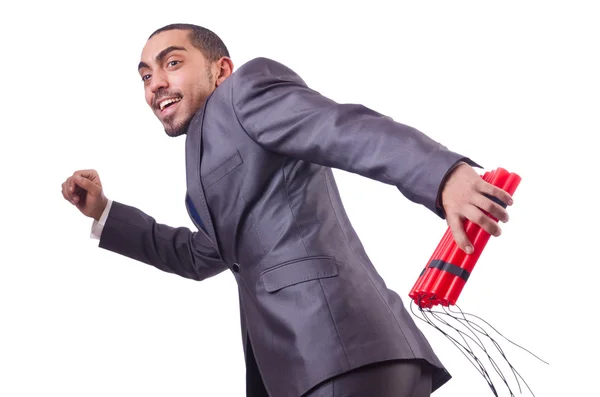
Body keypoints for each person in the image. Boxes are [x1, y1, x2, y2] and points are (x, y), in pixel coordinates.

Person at [61, 24, 512, 397]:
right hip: (327, 363)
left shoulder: (244, 93)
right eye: (144, 76)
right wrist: (104, 212)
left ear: (221, 71)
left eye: (172, 63)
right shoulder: (207, 157)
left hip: (334, 352)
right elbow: (200, 256)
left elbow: (340, 128)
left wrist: (441, 174)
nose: (155, 82)